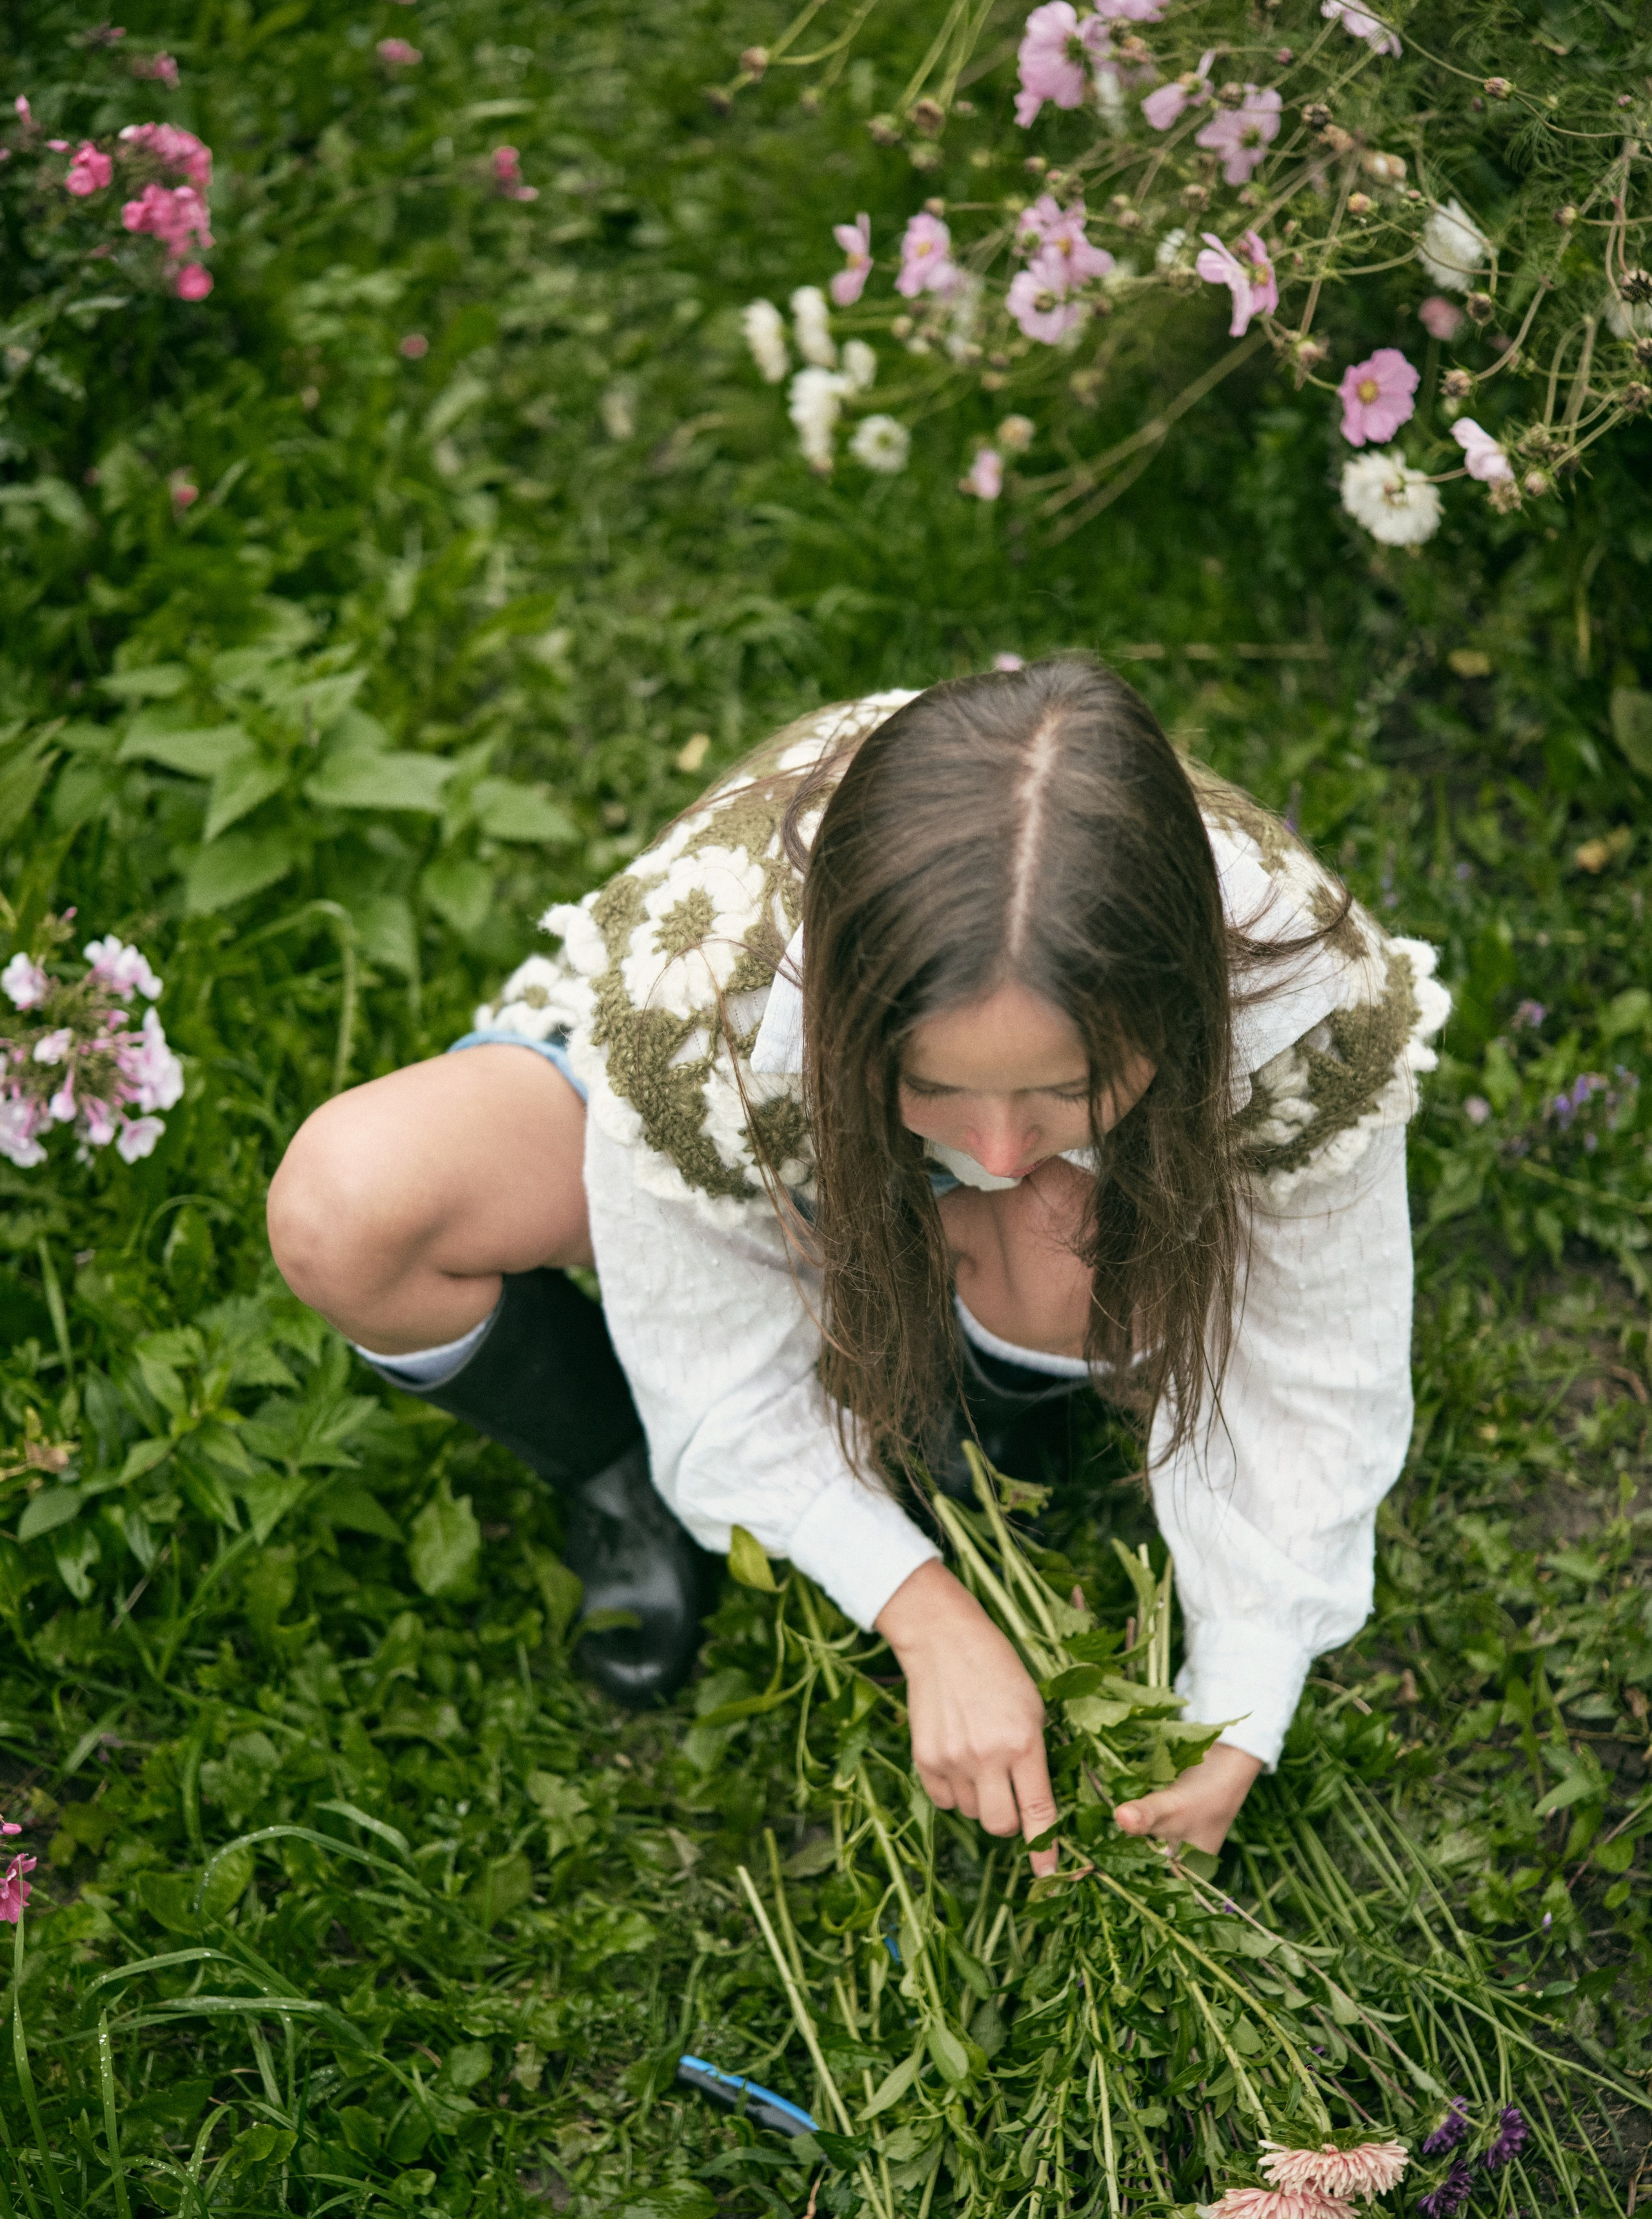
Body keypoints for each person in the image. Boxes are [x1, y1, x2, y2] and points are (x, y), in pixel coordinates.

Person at [267, 659, 1447, 1860]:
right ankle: (621, 1470)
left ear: (1181, 1009)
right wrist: (925, 1613)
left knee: (1051, 1225)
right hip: (775, 1118)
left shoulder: (1304, 1001)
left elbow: (1317, 1360)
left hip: (987, 1167)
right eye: (934, 1085)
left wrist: (1239, 1709)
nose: (993, 1148)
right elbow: (708, 1340)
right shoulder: (712, 1000)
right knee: (349, 1208)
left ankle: (984, 1380)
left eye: (1065, 1088)